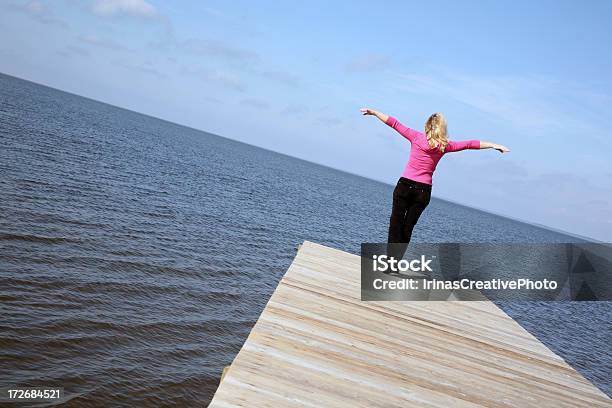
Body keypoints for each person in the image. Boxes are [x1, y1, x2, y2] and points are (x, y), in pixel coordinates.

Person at [360, 108, 510, 258]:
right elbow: (470, 144)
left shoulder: (416, 137)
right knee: (407, 228)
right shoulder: (445, 146)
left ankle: (390, 262)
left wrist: (374, 112)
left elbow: (394, 123)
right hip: (423, 191)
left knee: (396, 224)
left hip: (404, 186)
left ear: (427, 126)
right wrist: (493, 145)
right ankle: (395, 262)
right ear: (442, 128)